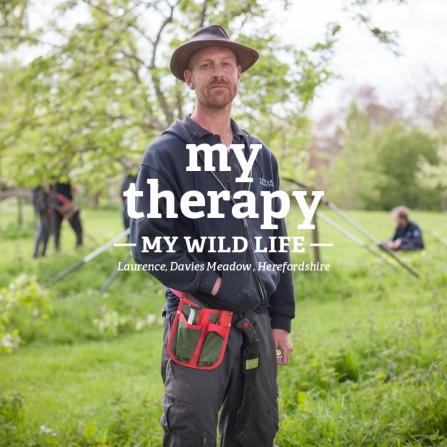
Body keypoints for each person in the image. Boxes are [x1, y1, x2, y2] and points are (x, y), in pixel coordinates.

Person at [131, 25, 295, 446]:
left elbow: (276, 240)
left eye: (226, 64)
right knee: (191, 434)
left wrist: (281, 320)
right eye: (206, 65)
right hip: (197, 321)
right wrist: (215, 282)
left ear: (239, 74)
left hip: (257, 321)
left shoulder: (261, 158)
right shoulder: (165, 155)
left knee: (257, 433)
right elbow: (149, 244)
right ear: (190, 78)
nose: (218, 73)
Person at [51, 182, 83, 251]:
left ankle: (57, 248)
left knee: (57, 230)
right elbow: (74, 189)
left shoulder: (53, 177)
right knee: (78, 229)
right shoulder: (68, 177)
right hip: (64, 204)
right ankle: (79, 246)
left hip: (60, 203)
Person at [32, 185, 52, 258]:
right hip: (43, 211)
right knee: (42, 231)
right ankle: (36, 252)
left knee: (48, 231)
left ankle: (43, 252)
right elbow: (37, 200)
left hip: (48, 211)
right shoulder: (38, 187)